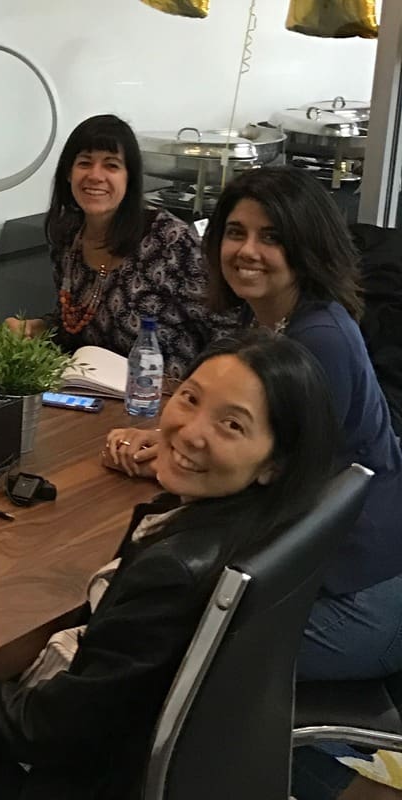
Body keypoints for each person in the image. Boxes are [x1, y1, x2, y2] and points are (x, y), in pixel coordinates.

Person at [0, 331, 343, 799]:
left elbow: (46, 730)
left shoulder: (176, 571)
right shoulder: (252, 523)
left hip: (58, 781)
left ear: (274, 462)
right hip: (137, 755)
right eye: (190, 399)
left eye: (231, 426)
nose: (189, 431)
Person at [106, 167, 402, 800]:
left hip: (362, 597)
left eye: (271, 237)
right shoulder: (292, 321)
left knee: (161, 648)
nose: (247, 251)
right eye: (234, 232)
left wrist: (177, 455)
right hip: (347, 567)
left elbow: (264, 483)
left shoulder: (316, 340)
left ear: (306, 246)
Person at [8, 114, 238, 378]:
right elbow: (76, 325)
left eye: (111, 165)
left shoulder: (169, 239)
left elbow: (225, 333)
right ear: (68, 175)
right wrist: (40, 329)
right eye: (84, 163)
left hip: (167, 398)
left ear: (129, 180)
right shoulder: (68, 238)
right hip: (93, 393)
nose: (95, 176)